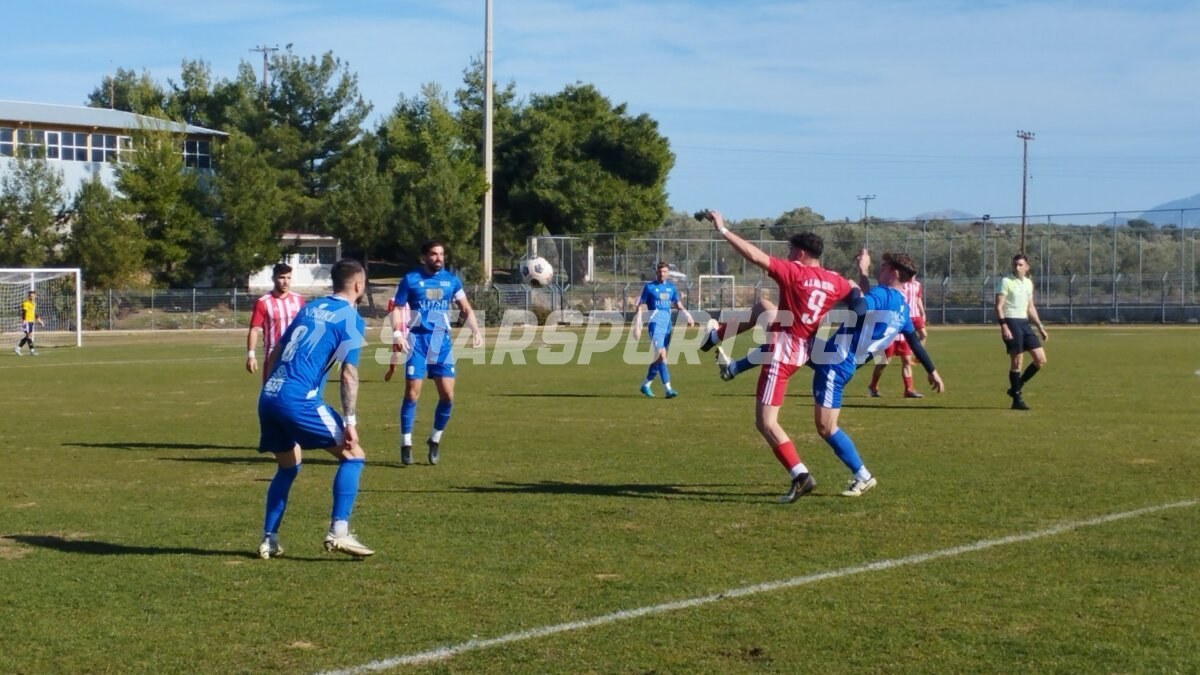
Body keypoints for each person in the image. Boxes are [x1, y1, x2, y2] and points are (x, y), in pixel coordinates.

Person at [698, 209, 856, 503]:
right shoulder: (834, 279)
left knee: (766, 422)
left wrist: (723, 230)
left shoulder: (795, 271)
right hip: (802, 343)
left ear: (802, 252)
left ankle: (800, 475)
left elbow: (755, 256)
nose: (789, 254)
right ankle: (717, 339)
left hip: (783, 352)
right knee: (763, 306)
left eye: (791, 250)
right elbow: (856, 293)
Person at [256, 258, 372, 559]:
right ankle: (339, 532)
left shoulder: (308, 307)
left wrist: (271, 390)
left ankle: (269, 538)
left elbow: (276, 350)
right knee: (354, 456)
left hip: (269, 396)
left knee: (288, 466)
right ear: (358, 285)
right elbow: (349, 373)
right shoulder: (351, 318)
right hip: (298, 400)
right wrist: (350, 421)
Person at [809, 250, 944, 497]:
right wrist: (932, 371)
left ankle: (863, 475)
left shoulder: (883, 294)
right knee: (788, 343)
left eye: (881, 268)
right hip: (844, 362)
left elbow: (860, 307)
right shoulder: (902, 308)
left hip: (834, 363)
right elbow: (914, 343)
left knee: (826, 427)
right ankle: (733, 367)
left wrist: (850, 287)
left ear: (893, 273)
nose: (878, 271)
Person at [388, 240, 484, 466]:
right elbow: (398, 308)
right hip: (417, 340)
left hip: (441, 342)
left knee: (448, 396)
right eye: (433, 254)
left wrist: (476, 331)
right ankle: (406, 443)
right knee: (412, 393)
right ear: (424, 257)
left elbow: (465, 308)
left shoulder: (451, 280)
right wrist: (397, 334)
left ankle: (435, 439)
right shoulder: (410, 279)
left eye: (441, 254)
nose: (438, 258)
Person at [632, 261, 694, 398]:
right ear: (656, 273)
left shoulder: (671, 288)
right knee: (662, 356)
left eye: (665, 271)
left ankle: (646, 384)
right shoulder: (649, 287)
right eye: (660, 272)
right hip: (655, 325)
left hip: (667, 326)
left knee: (658, 359)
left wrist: (686, 314)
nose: (662, 274)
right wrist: (639, 320)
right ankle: (668, 389)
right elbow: (640, 304)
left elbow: (678, 304)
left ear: (668, 273)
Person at [996, 253, 1048, 410]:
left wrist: (1040, 326)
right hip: (1011, 321)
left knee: (1040, 360)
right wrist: (1004, 326)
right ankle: (1017, 400)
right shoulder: (1006, 281)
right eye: (1014, 265)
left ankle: (1016, 386)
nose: (1017, 267)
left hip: (1024, 322)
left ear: (1026, 267)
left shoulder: (1028, 283)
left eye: (1020, 265)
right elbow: (998, 307)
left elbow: (1030, 307)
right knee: (1017, 360)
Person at [866, 271, 928, 398]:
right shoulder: (895, 288)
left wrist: (922, 312)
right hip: (889, 331)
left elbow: (917, 300)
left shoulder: (915, 285)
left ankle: (909, 389)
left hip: (904, 330)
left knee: (906, 360)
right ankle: (872, 386)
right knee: (883, 362)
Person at [246, 263, 305, 380]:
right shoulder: (263, 302)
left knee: (294, 392)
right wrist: (251, 356)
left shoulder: (298, 300)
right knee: (270, 393)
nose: (285, 282)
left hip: (295, 354)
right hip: (273, 354)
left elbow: (305, 326)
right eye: (281, 277)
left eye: (288, 278)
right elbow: (254, 329)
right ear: (273, 279)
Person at [14, 290, 43, 356]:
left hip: (31, 322)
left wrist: (39, 320)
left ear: (35, 296)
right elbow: (24, 312)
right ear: (28, 296)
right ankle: (31, 351)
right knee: (29, 336)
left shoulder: (34, 303)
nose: (32, 297)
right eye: (30, 296)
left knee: (28, 336)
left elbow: (34, 313)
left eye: (33, 296)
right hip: (26, 322)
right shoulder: (25, 303)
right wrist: (23, 320)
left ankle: (18, 348)